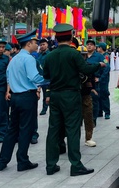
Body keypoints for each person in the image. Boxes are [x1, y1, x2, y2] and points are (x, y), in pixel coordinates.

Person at [43, 24, 104, 176]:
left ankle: (51, 165)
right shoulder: (73, 54)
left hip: (55, 95)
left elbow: (46, 76)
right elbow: (86, 69)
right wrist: (99, 65)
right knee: (72, 129)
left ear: (56, 38)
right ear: (70, 37)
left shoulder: (49, 55)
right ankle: (76, 165)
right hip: (70, 95)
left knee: (53, 130)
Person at [0, 30, 44, 172]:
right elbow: (34, 77)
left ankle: (2, 161)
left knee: (12, 130)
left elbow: (9, 78)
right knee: (25, 130)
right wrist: (49, 81)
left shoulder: (14, 59)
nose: (37, 45)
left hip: (15, 97)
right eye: (35, 43)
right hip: (27, 97)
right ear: (29, 43)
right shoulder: (29, 59)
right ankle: (22, 161)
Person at [78, 45, 97, 147]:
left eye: (84, 55)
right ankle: (74, 138)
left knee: (88, 117)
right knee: (75, 119)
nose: (82, 57)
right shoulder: (73, 67)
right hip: (75, 96)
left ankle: (88, 138)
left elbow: (91, 79)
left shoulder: (89, 66)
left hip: (86, 95)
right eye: (80, 55)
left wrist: (93, 88)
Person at [96, 42, 111, 120]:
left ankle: (107, 112)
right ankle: (99, 111)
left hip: (103, 79)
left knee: (104, 95)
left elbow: (107, 67)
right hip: (99, 78)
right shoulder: (99, 56)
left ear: (101, 48)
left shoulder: (105, 57)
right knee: (98, 94)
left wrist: (101, 78)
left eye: (98, 47)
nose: (97, 48)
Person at [36, 39, 50, 115]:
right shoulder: (39, 55)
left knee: (46, 93)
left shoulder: (49, 54)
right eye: (40, 45)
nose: (42, 46)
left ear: (47, 45)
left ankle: (44, 109)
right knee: (37, 92)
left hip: (46, 77)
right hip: (38, 76)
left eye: (43, 44)